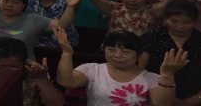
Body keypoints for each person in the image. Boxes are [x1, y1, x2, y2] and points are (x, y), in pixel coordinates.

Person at [55, 28, 188, 106]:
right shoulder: (92, 69)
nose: (117, 55)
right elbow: (66, 81)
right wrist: (67, 53)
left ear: (139, 55)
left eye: (126, 52)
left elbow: (163, 104)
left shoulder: (151, 78)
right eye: (111, 50)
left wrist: (167, 75)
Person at [140, 1, 201, 104]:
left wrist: (195, 99)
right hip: (156, 97)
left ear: (195, 22)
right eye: (174, 21)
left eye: (186, 22)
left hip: (197, 98)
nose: (180, 26)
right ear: (165, 20)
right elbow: (140, 70)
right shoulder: (150, 38)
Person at [0, 37, 65, 106]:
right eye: (3, 67)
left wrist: (42, 80)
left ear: (23, 63)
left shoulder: (35, 70)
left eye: (13, 67)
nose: (8, 71)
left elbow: (57, 104)